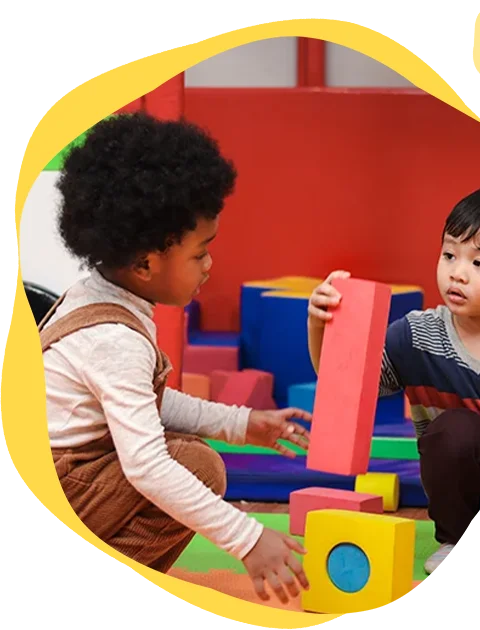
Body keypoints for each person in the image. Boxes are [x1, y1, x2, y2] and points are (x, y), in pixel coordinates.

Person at [41, 113, 310, 604]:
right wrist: (248, 540)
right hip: (56, 486)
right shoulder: (113, 338)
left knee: (192, 457)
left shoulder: (96, 296)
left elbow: (150, 404)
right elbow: (145, 465)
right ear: (145, 263)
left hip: (64, 481)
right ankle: (86, 588)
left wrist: (243, 423)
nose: (210, 265)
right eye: (200, 253)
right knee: (194, 467)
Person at [307, 185, 480, 575]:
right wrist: (319, 324)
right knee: (454, 428)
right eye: (449, 255)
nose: (457, 273)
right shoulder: (416, 335)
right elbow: (345, 386)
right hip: (459, 501)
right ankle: (461, 543)